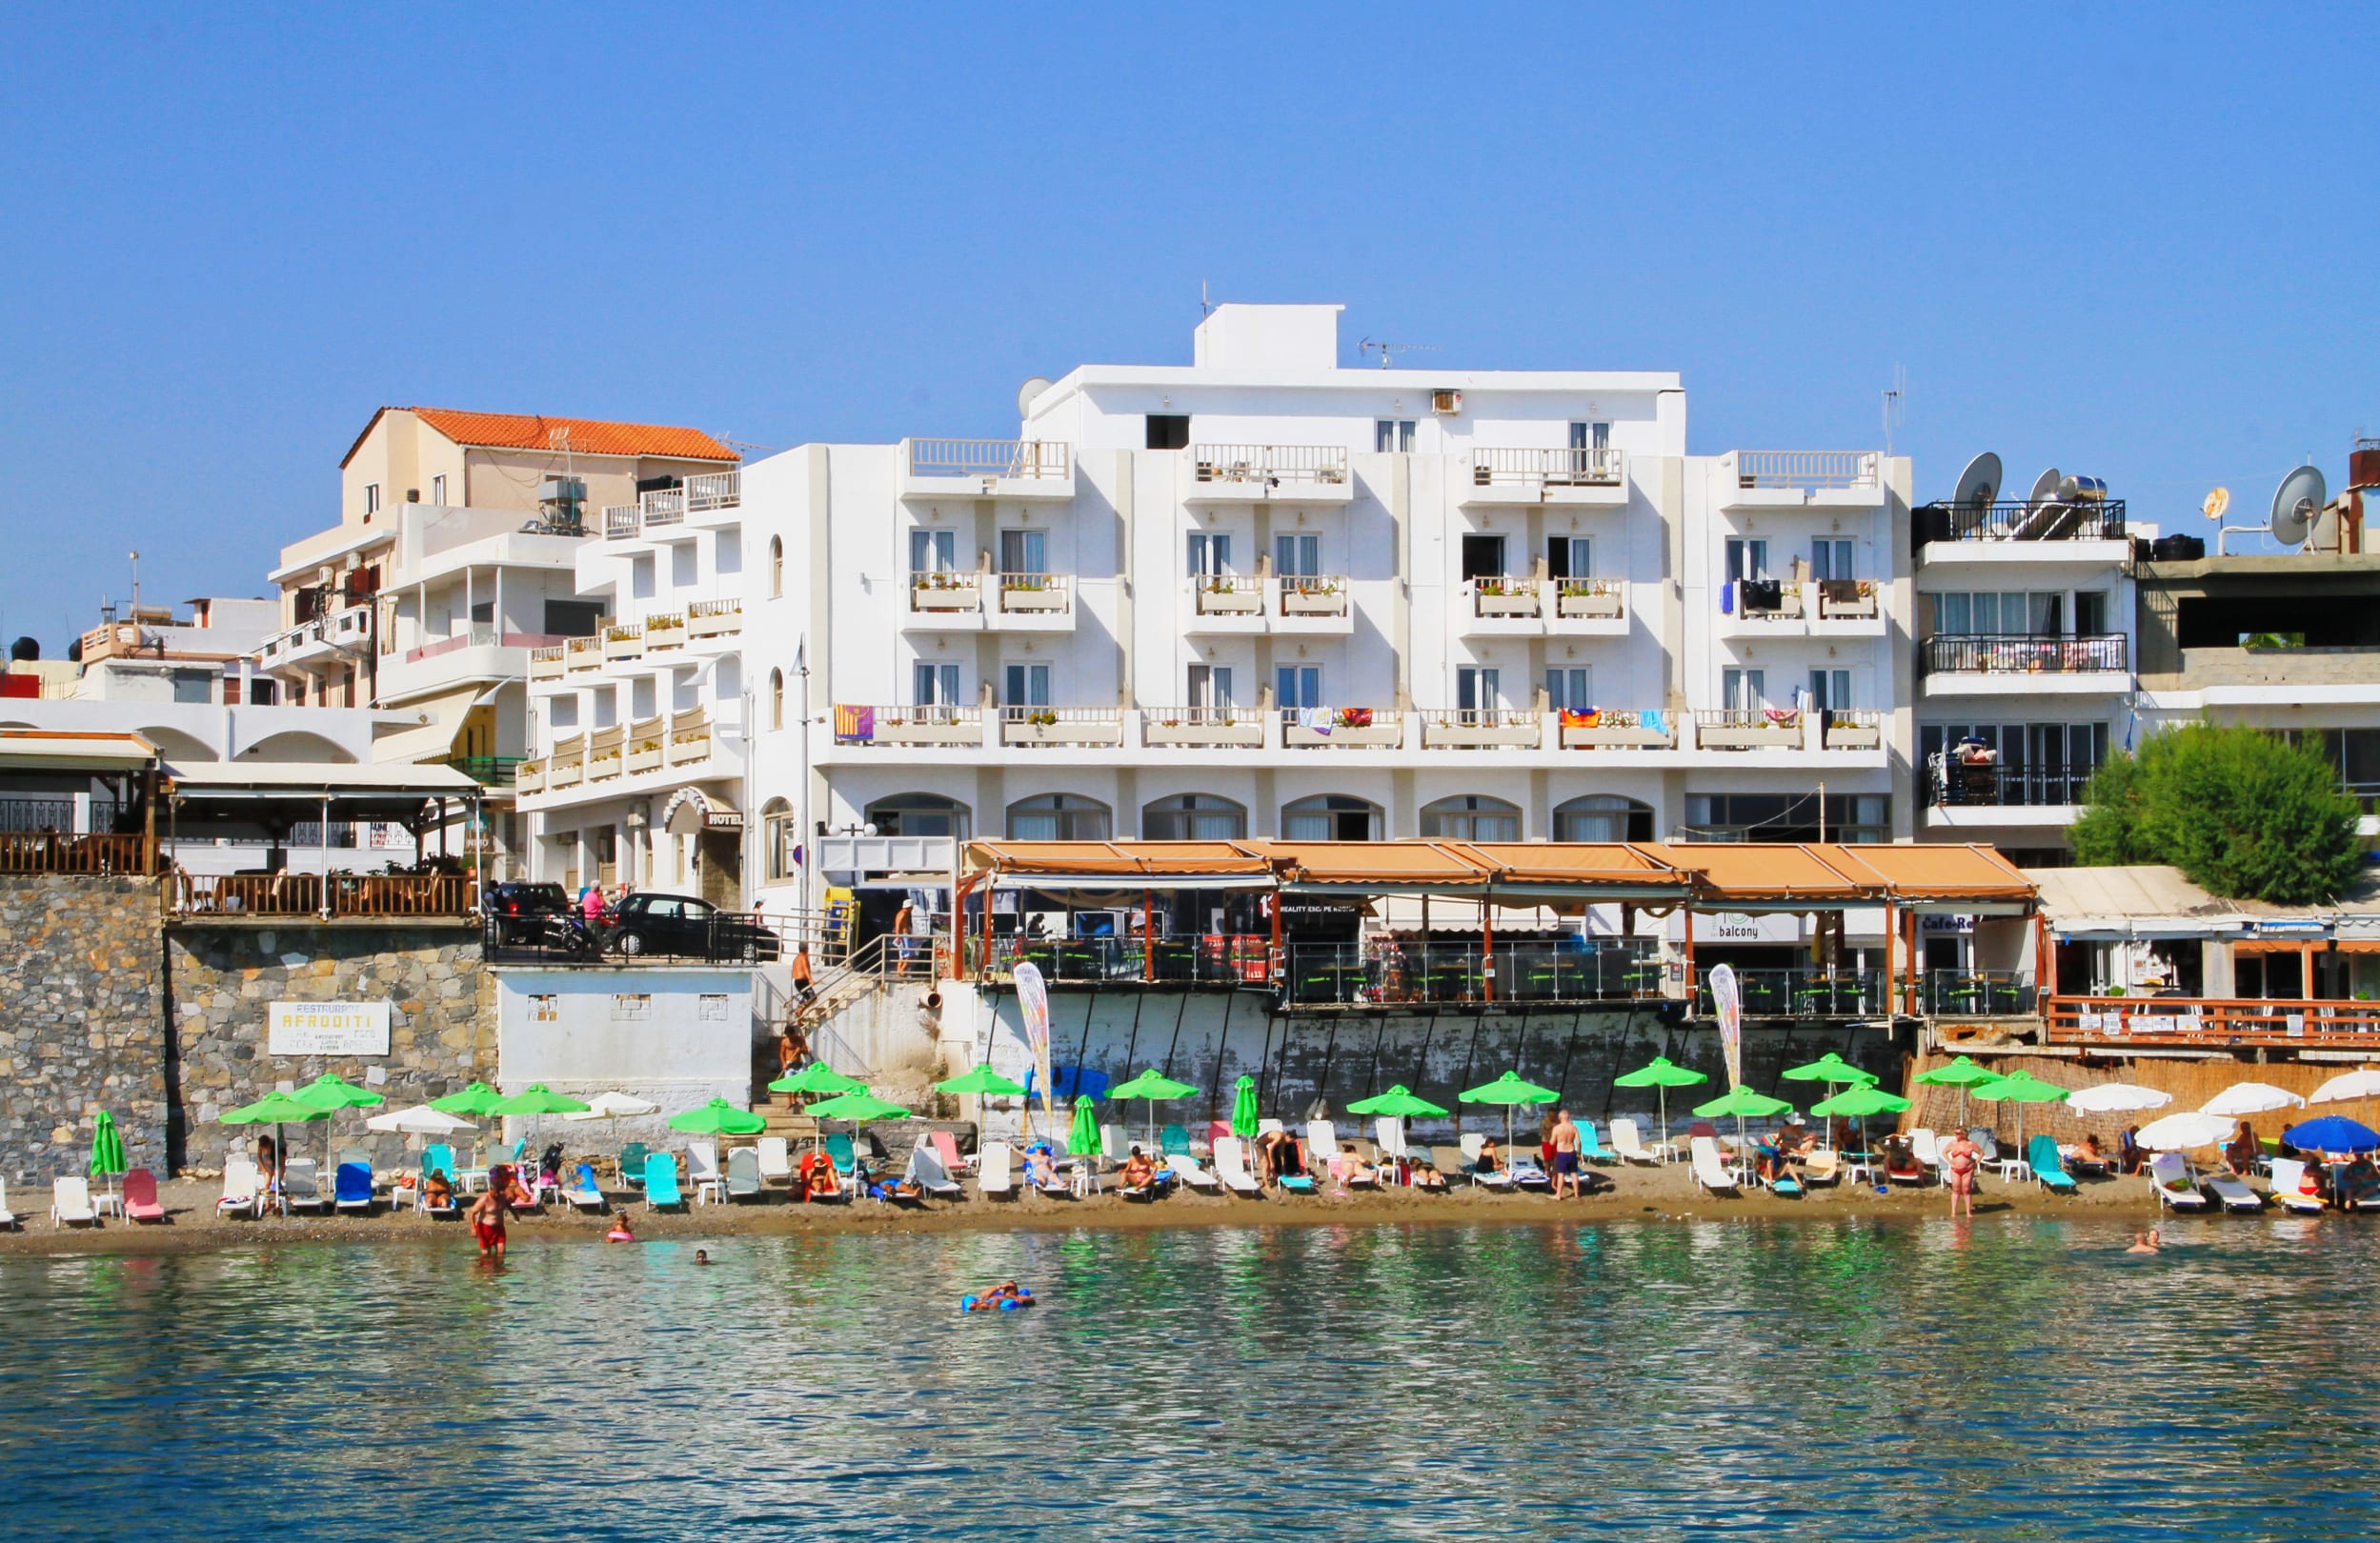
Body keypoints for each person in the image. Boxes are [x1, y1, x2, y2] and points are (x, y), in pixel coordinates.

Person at [1942, 1128, 1981, 1218]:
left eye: (1958, 1133)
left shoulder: (1971, 1144)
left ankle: (1968, 1212)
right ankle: (1953, 1212)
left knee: (1966, 1190)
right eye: (1955, 1133)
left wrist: (1976, 1162)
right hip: (1955, 1169)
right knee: (1955, 1189)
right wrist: (1949, 1161)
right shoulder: (1953, 1143)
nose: (1956, 1135)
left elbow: (1981, 1153)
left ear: (1964, 1134)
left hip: (1968, 1169)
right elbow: (1944, 1152)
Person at [466, 1184, 509, 1259]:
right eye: (495, 1193)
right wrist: (473, 1228)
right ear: (490, 1190)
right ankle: (481, 1265)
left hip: (499, 1227)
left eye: (498, 1193)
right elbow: (472, 1213)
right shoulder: (484, 1199)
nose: (496, 1195)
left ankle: (498, 1266)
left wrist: (515, 1214)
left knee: (501, 1252)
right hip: (485, 1227)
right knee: (486, 1254)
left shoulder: (502, 1197)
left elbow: (508, 1204)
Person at [1550, 1109, 1583, 1199]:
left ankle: (1558, 1195)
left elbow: (1552, 1143)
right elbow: (1579, 1142)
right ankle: (1576, 1194)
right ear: (1568, 1118)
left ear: (1560, 1118)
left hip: (1562, 1153)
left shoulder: (1557, 1128)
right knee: (1574, 1174)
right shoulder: (1573, 1128)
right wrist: (1579, 1153)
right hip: (1572, 1152)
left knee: (1561, 1174)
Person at [892, 901, 916, 976]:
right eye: (912, 907)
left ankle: (899, 971)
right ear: (909, 907)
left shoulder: (903, 913)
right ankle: (902, 970)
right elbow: (898, 926)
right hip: (904, 936)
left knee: (903, 955)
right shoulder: (903, 914)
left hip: (903, 935)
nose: (912, 908)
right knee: (910, 955)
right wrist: (898, 937)